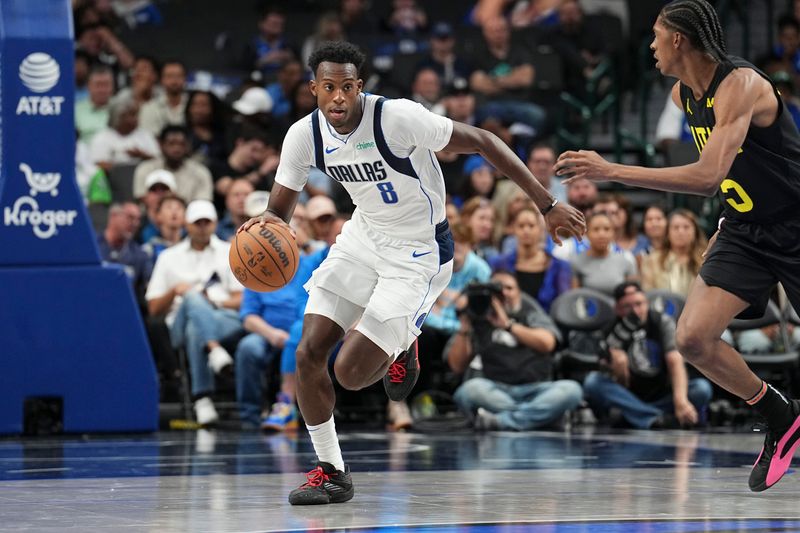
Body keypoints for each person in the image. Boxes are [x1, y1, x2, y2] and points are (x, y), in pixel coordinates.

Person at [240, 41, 585, 505]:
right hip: (362, 238)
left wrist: (547, 203)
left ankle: (405, 339)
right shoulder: (304, 136)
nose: (338, 98)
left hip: (420, 251)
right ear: (314, 90)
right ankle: (332, 471)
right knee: (308, 354)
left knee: (351, 374)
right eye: (328, 88)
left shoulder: (398, 118)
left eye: (347, 87)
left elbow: (484, 141)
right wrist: (264, 228)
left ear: (359, 87)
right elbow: (278, 213)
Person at [555, 0, 800, 492]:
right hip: (746, 230)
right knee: (692, 338)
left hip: (794, 226)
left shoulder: (744, 84)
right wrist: (728, 223)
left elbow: (708, 176)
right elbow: (736, 171)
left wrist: (609, 170)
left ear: (679, 41)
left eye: (655, 36)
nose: (650, 46)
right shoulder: (681, 96)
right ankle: (780, 415)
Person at [447, 270, 583, 431]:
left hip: (538, 389)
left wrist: (508, 325)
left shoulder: (530, 312)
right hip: (496, 389)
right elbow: (456, 366)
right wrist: (465, 325)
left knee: (571, 390)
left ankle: (502, 421)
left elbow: (548, 344)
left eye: (509, 288)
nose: (504, 293)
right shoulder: (479, 317)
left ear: (519, 292)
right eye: (497, 289)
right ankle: (541, 417)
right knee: (469, 390)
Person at [583, 281, 713, 430]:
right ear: (617, 309)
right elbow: (612, 381)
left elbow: (675, 361)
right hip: (629, 396)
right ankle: (656, 418)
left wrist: (680, 400)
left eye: (639, 304)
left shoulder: (662, 321)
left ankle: (640, 417)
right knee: (593, 382)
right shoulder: (611, 331)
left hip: (663, 394)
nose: (636, 311)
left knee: (702, 389)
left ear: (646, 302)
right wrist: (618, 370)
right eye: (628, 306)